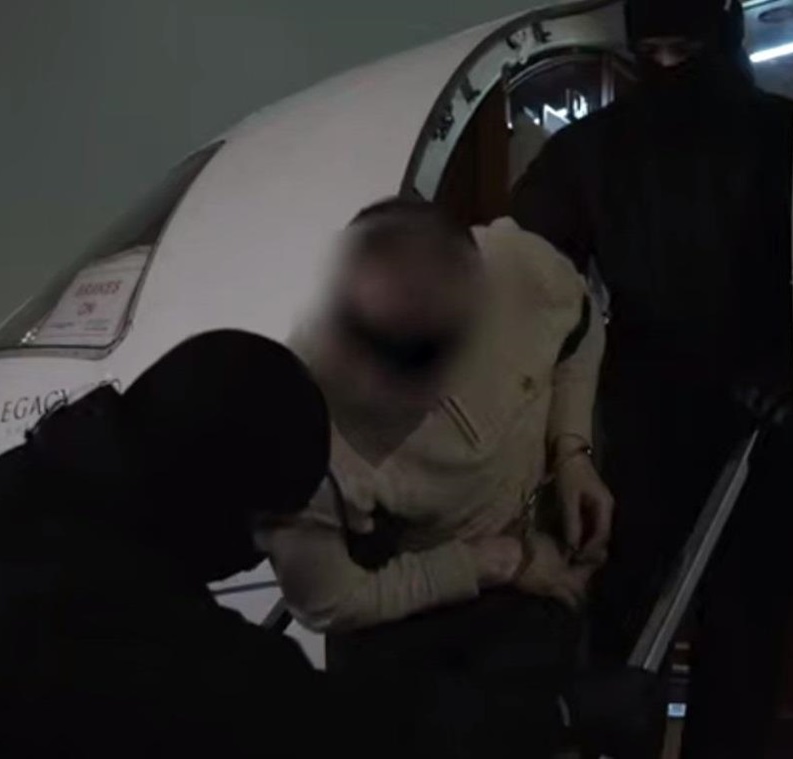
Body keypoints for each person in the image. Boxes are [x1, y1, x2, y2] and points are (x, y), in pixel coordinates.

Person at [0, 329, 653, 759]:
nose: (253, 558)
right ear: (207, 490)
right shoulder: (88, 605)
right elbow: (322, 730)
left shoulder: (7, 499)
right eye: (257, 524)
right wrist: (561, 713)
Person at [511, 0, 793, 756]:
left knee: (741, 654)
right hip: (645, 435)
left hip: (759, 433)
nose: (668, 69)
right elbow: (524, 288)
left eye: (683, 50)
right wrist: (567, 442)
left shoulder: (792, 144)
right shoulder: (594, 153)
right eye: (651, 53)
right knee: (629, 651)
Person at [260, 199, 660, 756]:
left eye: (440, 349)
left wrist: (573, 451)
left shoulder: (519, 267)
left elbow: (580, 325)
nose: (414, 392)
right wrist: (495, 562)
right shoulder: (298, 426)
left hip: (534, 587)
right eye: (394, 352)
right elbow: (330, 601)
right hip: (396, 625)